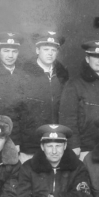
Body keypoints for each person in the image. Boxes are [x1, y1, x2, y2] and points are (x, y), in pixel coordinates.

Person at [0, 32, 35, 160]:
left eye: (14, 51)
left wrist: (20, 141)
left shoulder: (26, 76)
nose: (10, 55)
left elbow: (28, 113)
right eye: (6, 51)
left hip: (22, 141)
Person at [59, 40, 99, 160]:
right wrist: (74, 145)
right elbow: (68, 117)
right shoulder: (74, 84)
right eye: (95, 57)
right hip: (86, 148)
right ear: (87, 59)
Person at [19, 31, 69, 160]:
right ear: (37, 50)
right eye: (46, 49)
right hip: (30, 143)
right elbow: (16, 111)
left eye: (53, 50)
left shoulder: (63, 76)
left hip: (55, 143)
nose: (50, 53)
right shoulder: (24, 75)